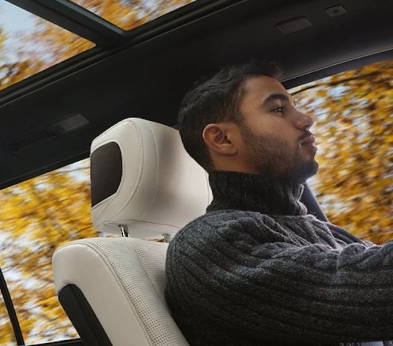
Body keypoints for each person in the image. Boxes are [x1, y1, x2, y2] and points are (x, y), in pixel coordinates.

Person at [165, 60, 393, 346]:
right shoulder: (207, 245)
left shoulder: (325, 232)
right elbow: (359, 288)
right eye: (278, 109)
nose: (306, 119)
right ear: (222, 139)